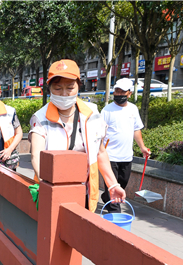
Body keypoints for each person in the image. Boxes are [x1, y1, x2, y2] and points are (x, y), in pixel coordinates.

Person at [28, 59, 126, 212]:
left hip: (85, 190)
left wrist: (112, 184)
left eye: (70, 87)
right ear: (49, 89)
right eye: (58, 88)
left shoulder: (92, 113)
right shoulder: (40, 118)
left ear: (79, 86)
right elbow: (36, 155)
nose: (64, 94)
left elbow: (100, 152)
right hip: (51, 190)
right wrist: (45, 183)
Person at [100, 78, 149, 213]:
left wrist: (142, 147)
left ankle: (106, 196)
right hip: (110, 155)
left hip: (126, 155)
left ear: (129, 93)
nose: (119, 94)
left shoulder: (133, 109)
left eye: (123, 92)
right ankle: (116, 212)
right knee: (113, 183)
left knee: (123, 181)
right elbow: (100, 132)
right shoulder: (107, 110)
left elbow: (136, 129)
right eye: (117, 91)